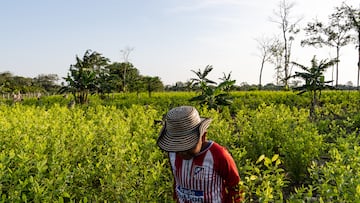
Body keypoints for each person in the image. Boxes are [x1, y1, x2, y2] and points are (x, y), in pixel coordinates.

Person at [157, 106, 243, 203]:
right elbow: (177, 181)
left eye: (188, 146)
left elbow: (235, 186)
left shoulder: (218, 155)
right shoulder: (172, 153)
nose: (182, 152)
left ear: (203, 136)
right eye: (178, 146)